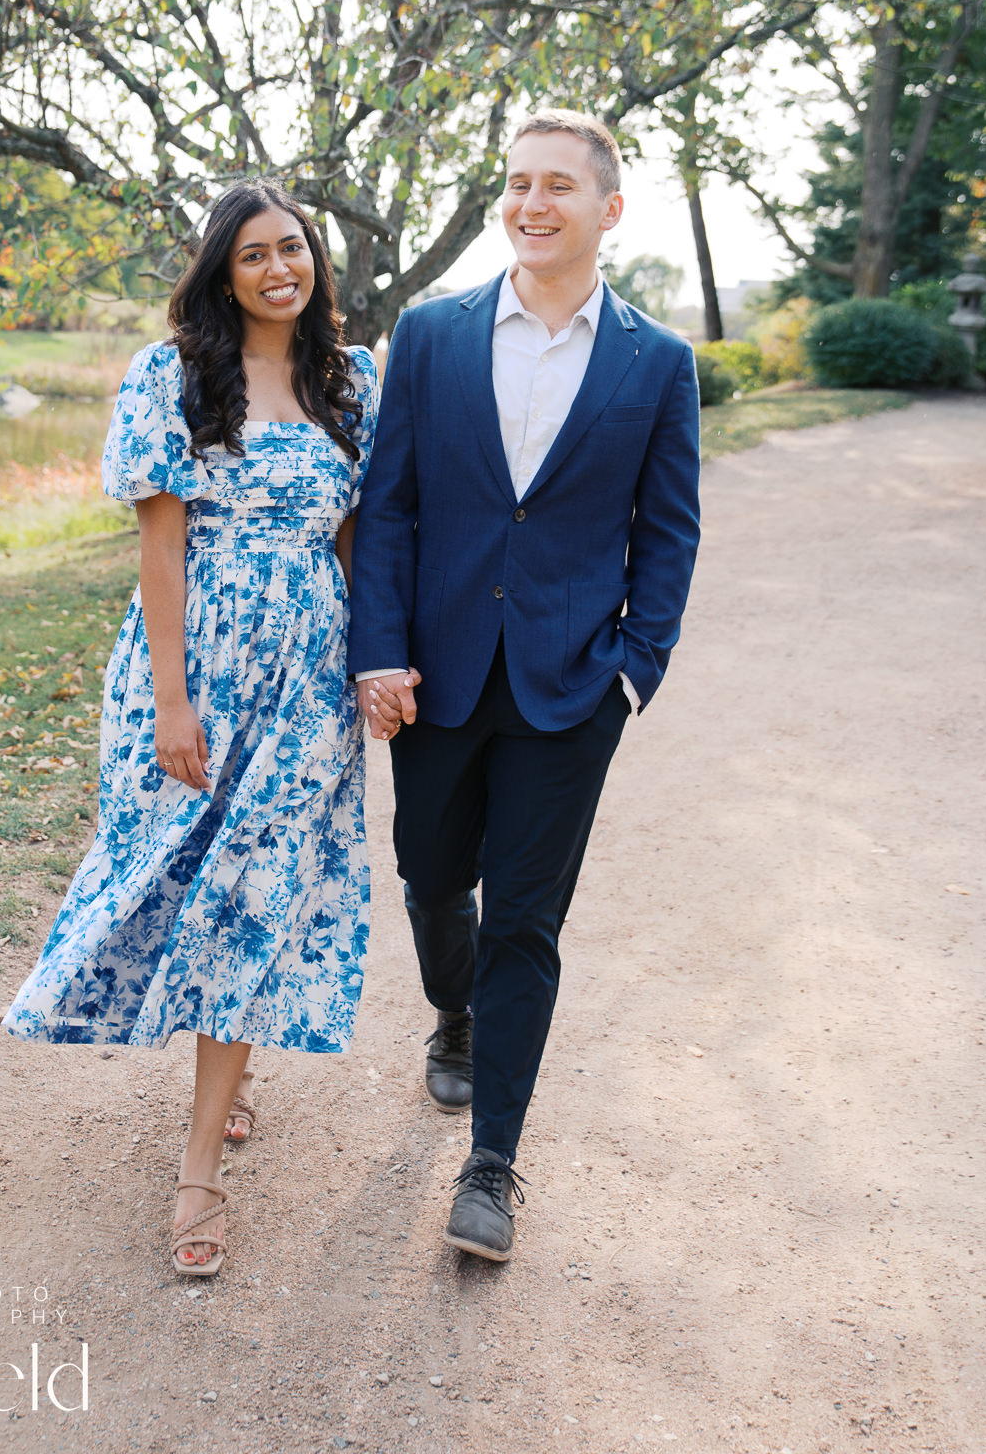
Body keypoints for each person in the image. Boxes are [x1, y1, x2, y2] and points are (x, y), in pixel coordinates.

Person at [5, 180, 380, 1277]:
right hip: (196, 667)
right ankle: (223, 1076)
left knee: (253, 892)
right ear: (222, 269)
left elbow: (356, 541)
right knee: (170, 872)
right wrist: (171, 699)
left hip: (308, 673)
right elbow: (159, 549)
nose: (280, 269)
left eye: (295, 248)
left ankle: (197, 1168)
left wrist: (368, 667)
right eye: (255, 253)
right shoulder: (168, 373)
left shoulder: (351, 379)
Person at [349, 109, 700, 1263]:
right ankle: (450, 1010)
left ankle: (491, 1160)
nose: (530, 202)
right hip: (435, 675)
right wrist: (377, 648)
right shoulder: (432, 334)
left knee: (528, 921)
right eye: (515, 183)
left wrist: (632, 675)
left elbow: (669, 531)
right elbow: (391, 503)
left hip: (569, 689)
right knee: (430, 875)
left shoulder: (655, 361)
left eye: (556, 184)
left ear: (606, 208)